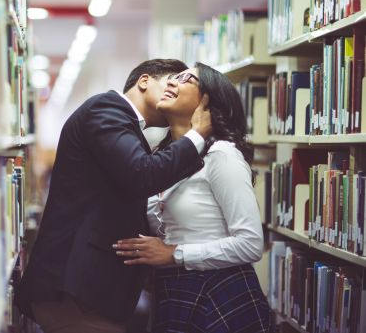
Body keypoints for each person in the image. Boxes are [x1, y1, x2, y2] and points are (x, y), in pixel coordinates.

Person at [15, 59, 213, 333]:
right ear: (144, 81)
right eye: (171, 81)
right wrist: (197, 135)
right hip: (75, 291)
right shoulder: (106, 109)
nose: (174, 89)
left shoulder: (128, 127)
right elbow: (142, 174)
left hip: (87, 290)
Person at [115, 63, 272, 333]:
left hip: (219, 290)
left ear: (208, 102)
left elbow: (251, 244)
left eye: (186, 79)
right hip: (172, 288)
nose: (171, 83)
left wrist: (174, 254)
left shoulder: (222, 155)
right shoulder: (160, 160)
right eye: (172, 78)